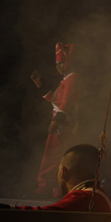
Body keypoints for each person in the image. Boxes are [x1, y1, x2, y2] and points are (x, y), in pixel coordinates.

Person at [31, 43, 79, 197]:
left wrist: (57, 120)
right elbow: (57, 101)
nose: (58, 67)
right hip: (60, 123)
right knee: (54, 157)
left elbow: (66, 102)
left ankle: (48, 188)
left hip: (62, 125)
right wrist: (41, 85)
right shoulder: (66, 79)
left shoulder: (72, 79)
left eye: (61, 63)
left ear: (68, 62)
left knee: (54, 157)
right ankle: (54, 189)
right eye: (57, 64)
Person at [10, 144, 111, 213]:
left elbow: (42, 216)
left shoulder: (83, 198)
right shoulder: (101, 196)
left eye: (58, 169)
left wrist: (7, 208)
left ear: (64, 172)